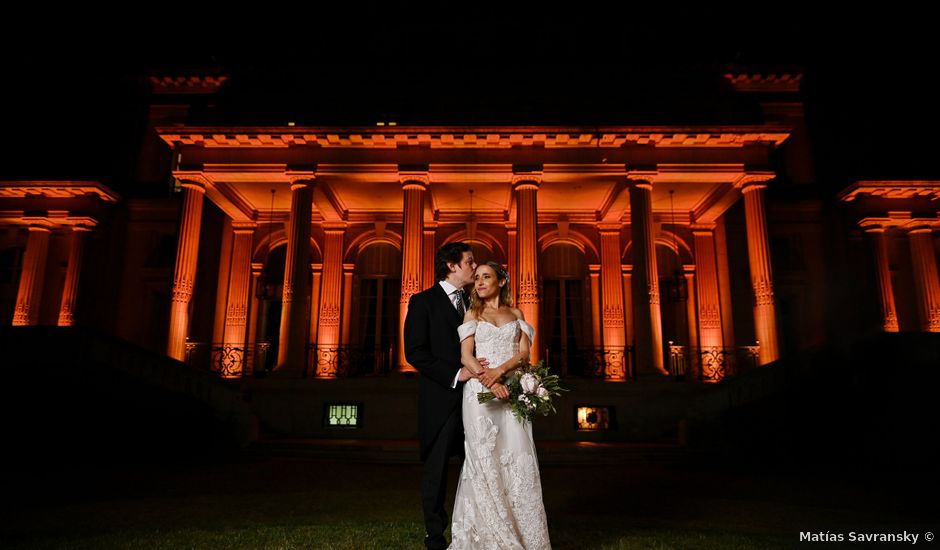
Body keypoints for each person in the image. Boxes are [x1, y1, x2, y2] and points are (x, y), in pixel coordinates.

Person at [448, 261, 551, 549]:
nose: (479, 282)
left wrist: (501, 372)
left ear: (501, 281)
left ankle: (524, 535)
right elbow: (466, 357)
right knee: (484, 461)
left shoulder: (516, 313)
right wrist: (490, 381)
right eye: (477, 277)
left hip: (512, 391)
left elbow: (524, 355)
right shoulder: (473, 313)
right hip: (479, 395)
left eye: (486, 276)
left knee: (517, 459)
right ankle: (488, 535)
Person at [404, 242, 487, 550]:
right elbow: (415, 352)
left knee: (479, 468)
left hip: (477, 401)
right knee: (436, 473)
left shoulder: (475, 303)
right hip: (441, 401)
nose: (474, 267)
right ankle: (435, 537)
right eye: (470, 261)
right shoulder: (423, 302)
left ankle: (478, 533)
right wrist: (456, 373)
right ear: (452, 266)